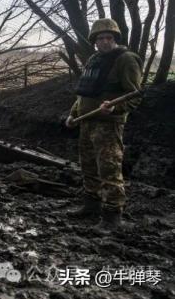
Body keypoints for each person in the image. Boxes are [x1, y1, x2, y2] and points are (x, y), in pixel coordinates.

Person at [65, 18, 142, 232]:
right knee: (88, 166)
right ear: (94, 41)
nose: (105, 42)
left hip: (108, 125)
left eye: (109, 38)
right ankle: (91, 205)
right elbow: (84, 92)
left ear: (115, 39)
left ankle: (112, 216)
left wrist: (115, 108)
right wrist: (73, 114)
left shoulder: (126, 60)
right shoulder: (94, 60)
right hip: (87, 122)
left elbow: (135, 96)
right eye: (100, 38)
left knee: (109, 169)